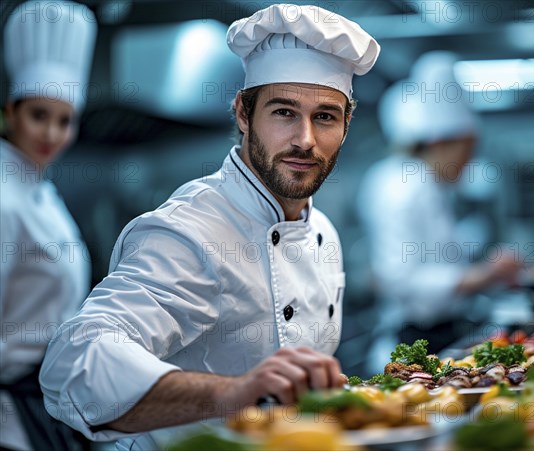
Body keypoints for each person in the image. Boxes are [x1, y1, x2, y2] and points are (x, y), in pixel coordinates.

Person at [39, 4, 380, 449]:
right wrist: (234, 394)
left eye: (325, 117)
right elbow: (75, 362)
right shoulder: (189, 233)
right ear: (243, 113)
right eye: (283, 112)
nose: (305, 140)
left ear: (346, 125)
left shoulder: (324, 233)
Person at [357, 51, 522, 371]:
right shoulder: (401, 186)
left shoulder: (431, 186)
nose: (469, 162)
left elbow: (435, 256)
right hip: (409, 352)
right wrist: (485, 275)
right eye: (467, 151)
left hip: (443, 338)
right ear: (440, 143)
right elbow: (398, 279)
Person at [0, 2, 97, 450]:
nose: (53, 134)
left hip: (46, 410)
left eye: (65, 120)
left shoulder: (43, 192)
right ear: (10, 111)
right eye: (40, 115)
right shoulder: (4, 199)